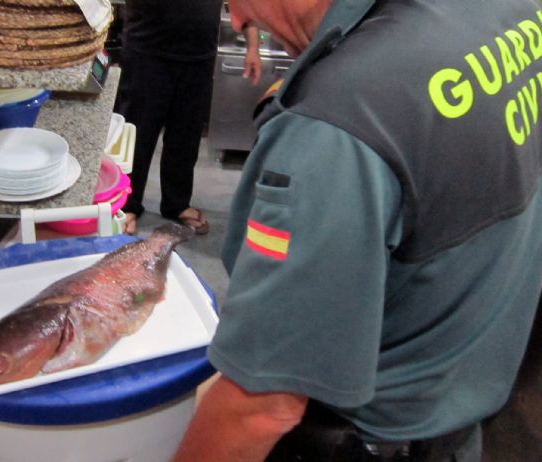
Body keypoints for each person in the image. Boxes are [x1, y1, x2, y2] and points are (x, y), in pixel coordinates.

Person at [170, 0, 542, 461]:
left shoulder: (334, 127)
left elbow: (262, 407)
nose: (242, 21)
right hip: (460, 412)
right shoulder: (502, 11)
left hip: (370, 440)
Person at [114, 1, 261, 235]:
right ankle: (126, 205)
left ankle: (176, 203)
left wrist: (253, 46)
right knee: (137, 136)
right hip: (147, 52)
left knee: (186, 137)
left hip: (199, 58)